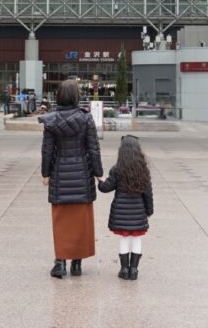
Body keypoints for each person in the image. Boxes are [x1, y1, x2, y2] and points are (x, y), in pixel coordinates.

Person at [38, 78, 102, 279]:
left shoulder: (51, 120)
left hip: (60, 174)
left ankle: (60, 263)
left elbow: (47, 150)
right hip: (82, 174)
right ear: (76, 96)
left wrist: (45, 173)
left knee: (61, 221)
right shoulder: (86, 118)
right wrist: (99, 172)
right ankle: (77, 264)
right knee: (81, 221)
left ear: (58, 96)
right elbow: (93, 148)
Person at [98, 135, 154, 280]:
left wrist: (101, 181)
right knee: (136, 240)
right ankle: (134, 270)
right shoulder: (143, 170)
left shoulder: (117, 169)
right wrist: (149, 211)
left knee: (124, 239)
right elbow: (148, 193)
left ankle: (124, 270)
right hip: (138, 212)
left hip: (121, 213)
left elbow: (106, 188)